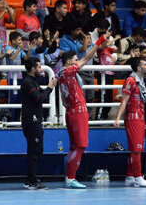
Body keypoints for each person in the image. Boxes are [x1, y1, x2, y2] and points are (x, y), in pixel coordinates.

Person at [59, 32, 112, 188]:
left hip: (70, 112)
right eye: (75, 60)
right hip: (78, 111)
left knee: (73, 147)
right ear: (69, 62)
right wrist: (99, 41)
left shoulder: (61, 74)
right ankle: (70, 178)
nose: (78, 62)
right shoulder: (69, 72)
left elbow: (63, 100)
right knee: (80, 147)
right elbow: (87, 57)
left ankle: (69, 177)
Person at [114, 57, 146, 187]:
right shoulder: (130, 81)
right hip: (133, 118)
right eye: (145, 64)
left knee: (134, 150)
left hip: (140, 118)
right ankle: (138, 178)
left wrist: (143, 120)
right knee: (137, 150)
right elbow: (124, 101)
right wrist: (118, 118)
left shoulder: (141, 81)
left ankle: (130, 176)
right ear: (138, 68)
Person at [21, 57, 57, 190]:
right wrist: (50, 87)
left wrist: (49, 87)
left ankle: (31, 178)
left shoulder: (33, 82)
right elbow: (39, 98)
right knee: (34, 152)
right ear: (33, 69)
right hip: (31, 121)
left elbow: (41, 94)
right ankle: (31, 181)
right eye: (40, 67)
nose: (41, 70)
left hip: (36, 121)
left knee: (37, 151)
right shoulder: (27, 82)